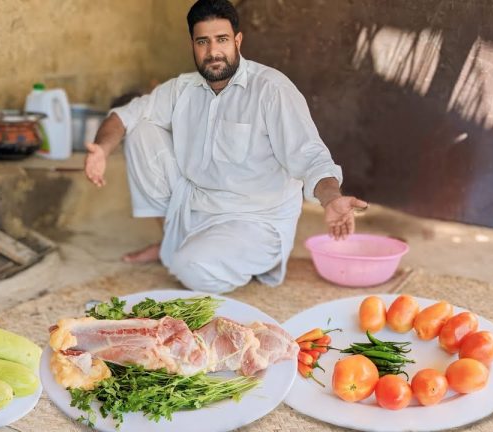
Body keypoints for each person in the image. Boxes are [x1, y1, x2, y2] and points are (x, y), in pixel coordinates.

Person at [83, 0, 367, 294]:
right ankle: (172, 241)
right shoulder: (183, 88)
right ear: (192, 44)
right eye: (203, 42)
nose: (213, 52)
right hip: (199, 205)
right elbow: (124, 115)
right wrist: (102, 150)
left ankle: (233, 258)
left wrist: (331, 198)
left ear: (238, 41)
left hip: (255, 220)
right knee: (141, 129)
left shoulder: (272, 90)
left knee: (188, 268)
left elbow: (310, 156)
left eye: (222, 40)